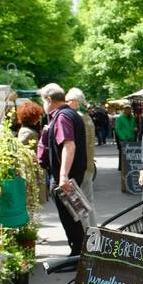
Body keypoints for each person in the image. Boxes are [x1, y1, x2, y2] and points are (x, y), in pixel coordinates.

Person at [39, 82, 88, 255]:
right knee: (72, 216)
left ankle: (78, 254)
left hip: (66, 176)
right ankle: (78, 253)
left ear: (49, 99)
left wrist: (63, 176)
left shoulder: (62, 117)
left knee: (70, 217)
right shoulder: (71, 114)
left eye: (43, 101)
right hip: (72, 174)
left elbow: (69, 145)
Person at [66, 87, 97, 206]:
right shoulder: (86, 117)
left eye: (68, 100)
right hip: (88, 163)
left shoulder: (76, 117)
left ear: (74, 100)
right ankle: (91, 224)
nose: (66, 103)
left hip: (80, 165)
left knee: (81, 203)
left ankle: (86, 225)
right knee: (88, 199)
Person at [113, 105, 137, 191]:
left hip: (131, 138)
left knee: (130, 154)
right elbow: (117, 129)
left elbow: (134, 126)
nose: (129, 111)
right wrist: (122, 137)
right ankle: (121, 167)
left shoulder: (132, 117)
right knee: (122, 153)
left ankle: (128, 166)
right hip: (123, 139)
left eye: (130, 110)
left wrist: (135, 130)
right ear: (124, 110)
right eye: (127, 110)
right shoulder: (120, 118)